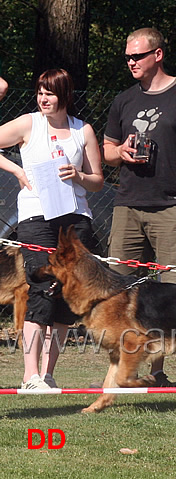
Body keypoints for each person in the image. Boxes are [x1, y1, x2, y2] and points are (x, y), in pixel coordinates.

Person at [103, 28, 176, 388]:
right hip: (129, 206)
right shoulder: (123, 100)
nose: (131, 62)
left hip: (172, 208)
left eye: (137, 56)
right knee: (118, 291)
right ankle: (131, 371)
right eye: (128, 57)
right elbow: (106, 150)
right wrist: (119, 153)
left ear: (158, 55)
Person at [0, 68, 104, 389]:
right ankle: (30, 374)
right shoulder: (28, 123)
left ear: (65, 96)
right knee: (40, 290)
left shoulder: (81, 130)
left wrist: (78, 176)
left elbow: (98, 181)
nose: (44, 98)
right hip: (35, 218)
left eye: (50, 93)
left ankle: (48, 372)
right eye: (40, 92)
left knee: (65, 297)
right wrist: (17, 170)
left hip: (74, 218)